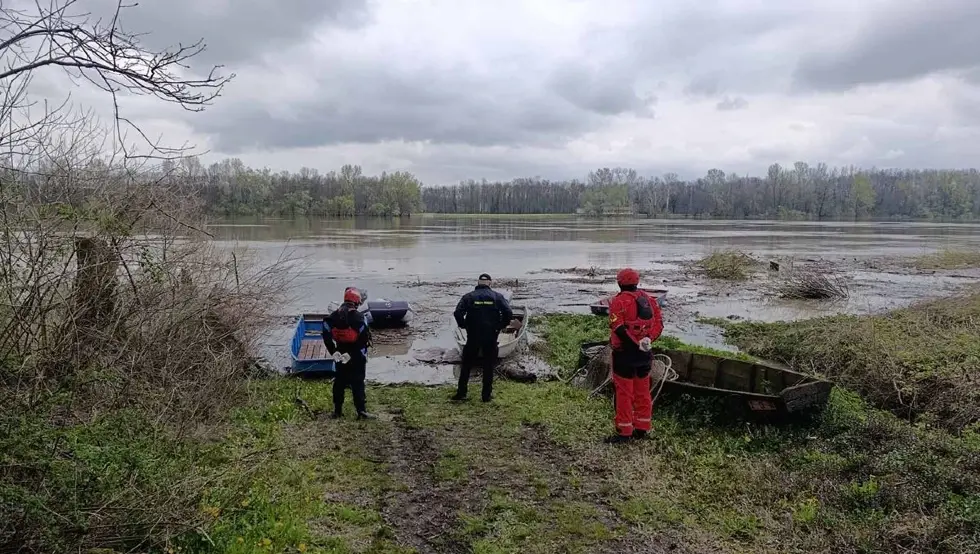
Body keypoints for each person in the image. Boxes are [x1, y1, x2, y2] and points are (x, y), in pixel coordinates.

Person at [606, 268, 664, 444]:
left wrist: (634, 344)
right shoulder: (650, 300)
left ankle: (624, 431)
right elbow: (659, 324)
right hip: (645, 354)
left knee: (624, 393)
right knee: (642, 391)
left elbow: (618, 328)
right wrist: (647, 340)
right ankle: (642, 427)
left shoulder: (618, 302)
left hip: (625, 354)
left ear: (619, 283)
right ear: (636, 282)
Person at [451, 273, 513, 403]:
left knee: (466, 365)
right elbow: (508, 313)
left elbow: (458, 313)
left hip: (473, 335)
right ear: (490, 283)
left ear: (478, 283)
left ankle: (461, 393)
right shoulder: (497, 297)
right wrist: (500, 326)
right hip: (491, 335)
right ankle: (486, 396)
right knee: (488, 366)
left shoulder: (468, 297)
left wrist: (464, 325)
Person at [322, 287, 376, 420]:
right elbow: (364, 338)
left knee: (339, 381)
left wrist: (333, 351)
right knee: (358, 382)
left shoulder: (333, 316)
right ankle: (361, 411)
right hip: (356, 354)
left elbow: (325, 332)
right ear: (357, 302)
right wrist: (353, 354)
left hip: (339, 353)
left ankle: (337, 411)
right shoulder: (359, 317)